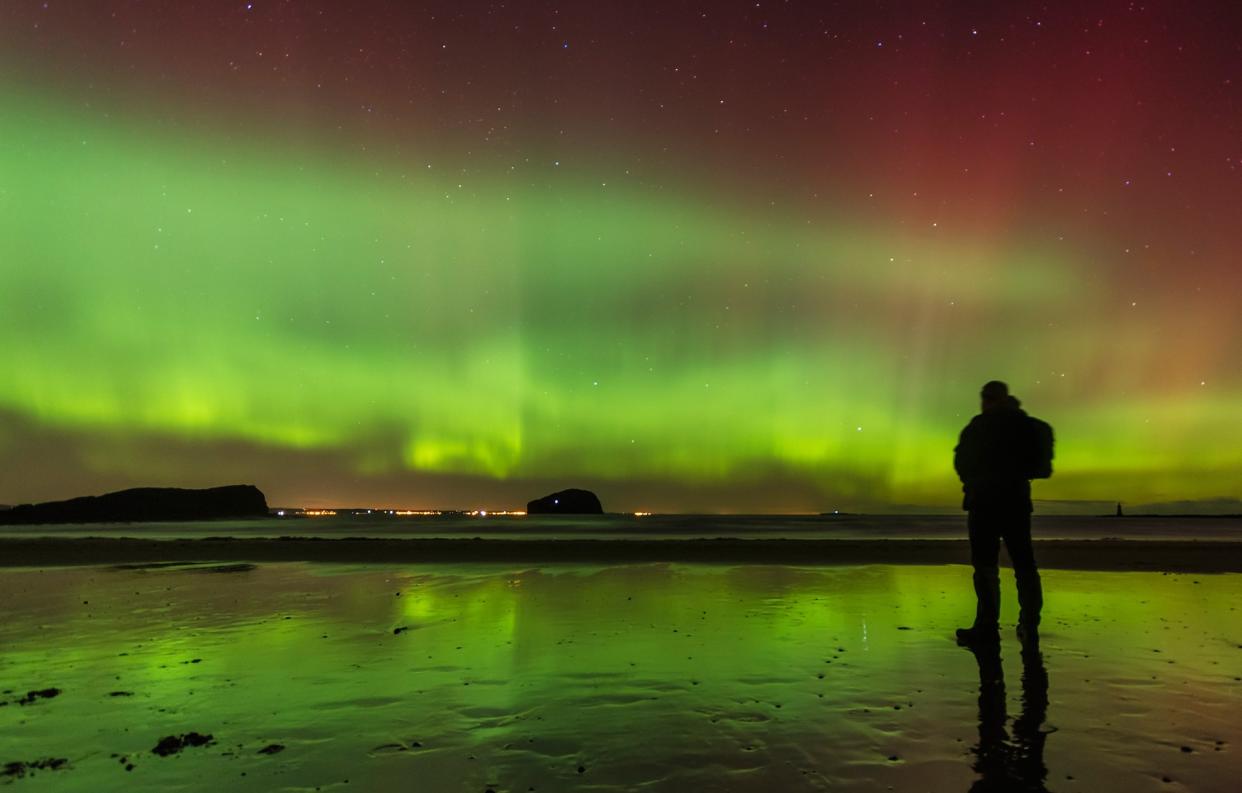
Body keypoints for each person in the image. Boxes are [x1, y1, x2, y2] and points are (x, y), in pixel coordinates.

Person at [953, 380, 1043, 648]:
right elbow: (1037, 465)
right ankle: (1028, 625)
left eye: (986, 397)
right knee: (1024, 567)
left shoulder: (978, 427)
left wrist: (974, 480)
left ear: (989, 399)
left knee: (986, 568)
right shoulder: (1025, 425)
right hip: (1015, 503)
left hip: (984, 504)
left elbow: (961, 462)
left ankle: (987, 627)